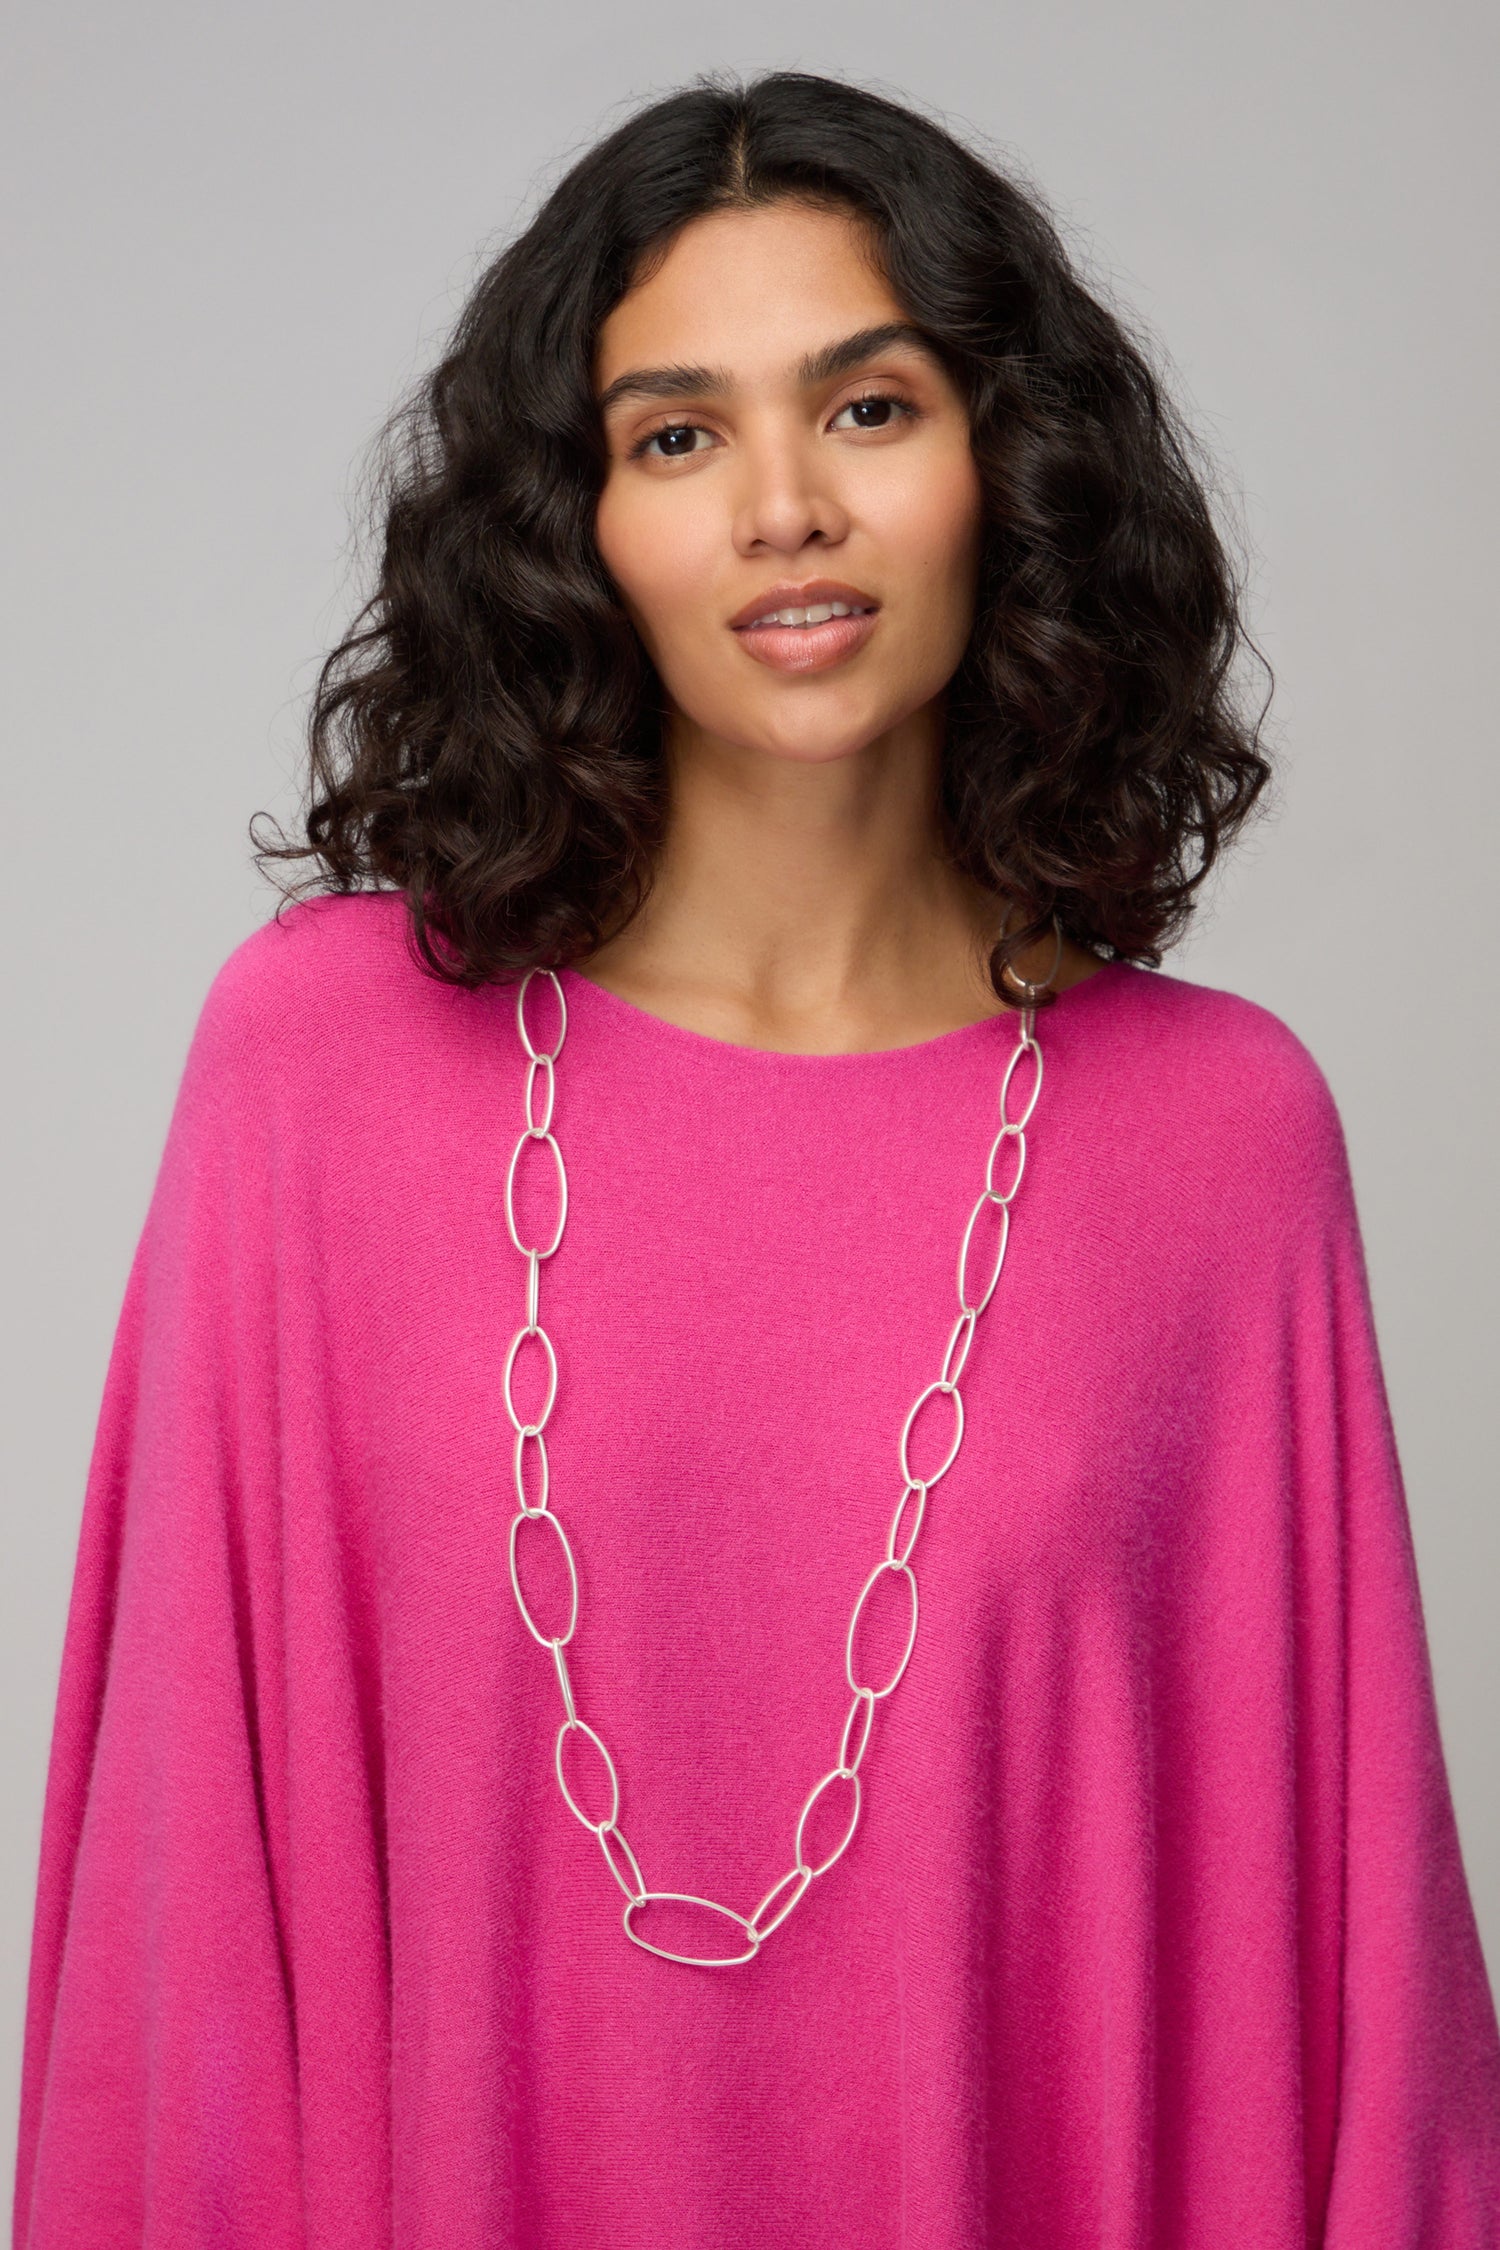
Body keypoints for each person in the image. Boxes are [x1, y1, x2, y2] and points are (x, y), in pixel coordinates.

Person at [14, 66, 1500, 2250]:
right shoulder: (314, 1070)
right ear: (578, 523)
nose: (782, 505)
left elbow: (1359, 2014)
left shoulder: (1224, 1141)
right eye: (678, 434)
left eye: (871, 409)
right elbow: (180, 1938)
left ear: (1009, 467)